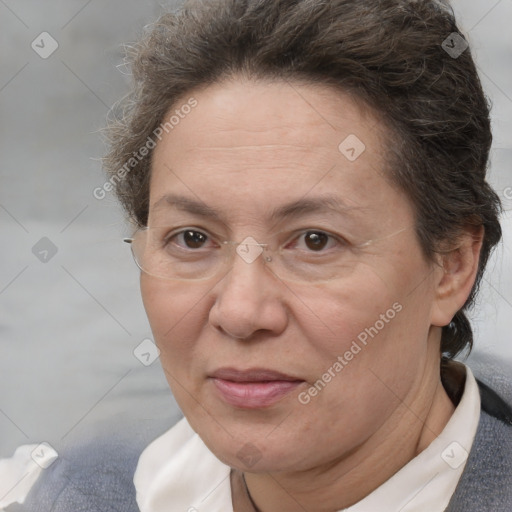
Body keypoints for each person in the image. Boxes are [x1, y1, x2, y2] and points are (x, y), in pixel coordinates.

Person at [5, 0, 512, 510]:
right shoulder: (58, 492)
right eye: (193, 238)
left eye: (315, 240)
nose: (241, 313)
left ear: (451, 266)